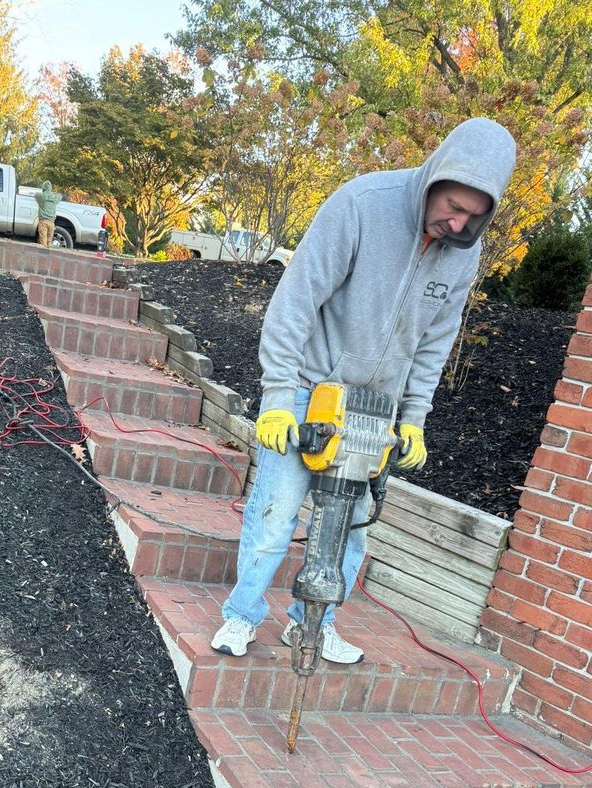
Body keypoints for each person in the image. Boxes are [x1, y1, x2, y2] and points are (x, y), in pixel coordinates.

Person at [211, 117, 516, 663]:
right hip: (310, 389)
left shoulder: (463, 252)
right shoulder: (362, 204)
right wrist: (279, 398)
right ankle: (241, 615)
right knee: (276, 512)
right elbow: (294, 303)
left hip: (373, 410)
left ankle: (314, 622)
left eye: (473, 215)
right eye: (452, 204)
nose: (457, 221)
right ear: (433, 180)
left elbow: (434, 344)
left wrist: (413, 419)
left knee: (350, 528)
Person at [37, 180, 62, 247]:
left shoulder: (41, 196)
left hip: (43, 222)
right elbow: (60, 195)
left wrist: (45, 192)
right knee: (49, 243)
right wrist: (51, 193)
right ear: (50, 188)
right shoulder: (55, 198)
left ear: (43, 188)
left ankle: (42, 255)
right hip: (51, 223)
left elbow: (36, 194)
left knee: (43, 243)